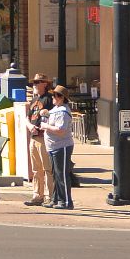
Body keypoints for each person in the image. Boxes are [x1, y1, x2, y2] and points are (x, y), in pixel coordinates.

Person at [23, 74, 53, 206]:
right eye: (33, 82)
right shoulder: (34, 100)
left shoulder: (49, 99)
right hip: (33, 137)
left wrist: (41, 128)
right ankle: (37, 195)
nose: (34, 85)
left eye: (37, 82)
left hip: (43, 137)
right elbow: (27, 117)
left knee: (47, 168)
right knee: (36, 169)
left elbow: (51, 117)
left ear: (45, 84)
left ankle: (49, 196)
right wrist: (30, 127)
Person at [41, 90, 75, 209]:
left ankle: (66, 201)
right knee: (55, 174)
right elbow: (47, 119)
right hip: (53, 146)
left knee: (62, 175)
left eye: (55, 95)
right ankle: (56, 199)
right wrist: (45, 114)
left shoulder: (63, 112)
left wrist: (46, 126)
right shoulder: (56, 109)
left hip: (62, 146)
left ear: (61, 98)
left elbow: (61, 130)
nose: (53, 97)